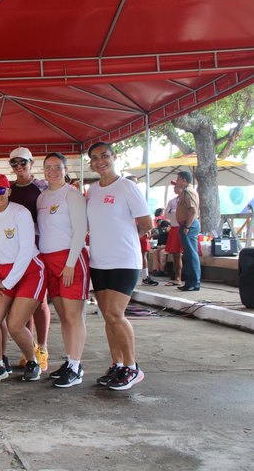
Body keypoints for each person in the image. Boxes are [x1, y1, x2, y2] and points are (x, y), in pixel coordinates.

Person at [86, 142, 152, 390]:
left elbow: (146, 223)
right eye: (94, 158)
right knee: (108, 316)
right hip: (99, 261)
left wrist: (125, 238)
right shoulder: (91, 190)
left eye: (104, 156)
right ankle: (117, 364)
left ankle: (133, 367)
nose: (100, 161)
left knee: (116, 314)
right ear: (90, 162)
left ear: (114, 157)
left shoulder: (127, 187)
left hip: (124, 261)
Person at [0, 173, 47, 384]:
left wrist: (5, 283)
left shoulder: (20, 213)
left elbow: (26, 252)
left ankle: (33, 360)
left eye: (0, 190)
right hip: (2, 274)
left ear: (8, 191)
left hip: (30, 271)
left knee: (15, 324)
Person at [37, 153, 89, 388]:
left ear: (65, 169)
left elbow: (80, 230)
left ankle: (76, 366)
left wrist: (70, 263)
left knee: (73, 316)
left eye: (57, 167)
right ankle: (69, 361)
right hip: (49, 261)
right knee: (63, 317)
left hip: (71, 260)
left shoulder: (73, 194)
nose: (52, 171)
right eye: (48, 167)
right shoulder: (42, 197)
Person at [7, 147, 51, 372]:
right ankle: (31, 347)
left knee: (39, 301)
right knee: (24, 302)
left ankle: (42, 348)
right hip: (14, 252)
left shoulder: (43, 188)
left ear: (31, 163)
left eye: (22, 162)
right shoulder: (8, 190)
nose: (19, 167)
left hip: (39, 249)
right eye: (14, 163)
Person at [174, 171, 201, 291]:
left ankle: (194, 283)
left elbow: (193, 210)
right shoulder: (186, 192)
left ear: (184, 180)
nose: (177, 181)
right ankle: (190, 282)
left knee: (191, 255)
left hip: (189, 224)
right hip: (187, 224)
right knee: (188, 254)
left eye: (178, 179)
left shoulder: (188, 192)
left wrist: (187, 227)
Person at [163, 184, 184, 286]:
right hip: (174, 228)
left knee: (185, 254)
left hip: (183, 228)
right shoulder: (172, 201)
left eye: (177, 186)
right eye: (174, 187)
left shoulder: (187, 199)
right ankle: (178, 277)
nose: (175, 189)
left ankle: (185, 277)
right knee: (176, 255)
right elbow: (166, 214)